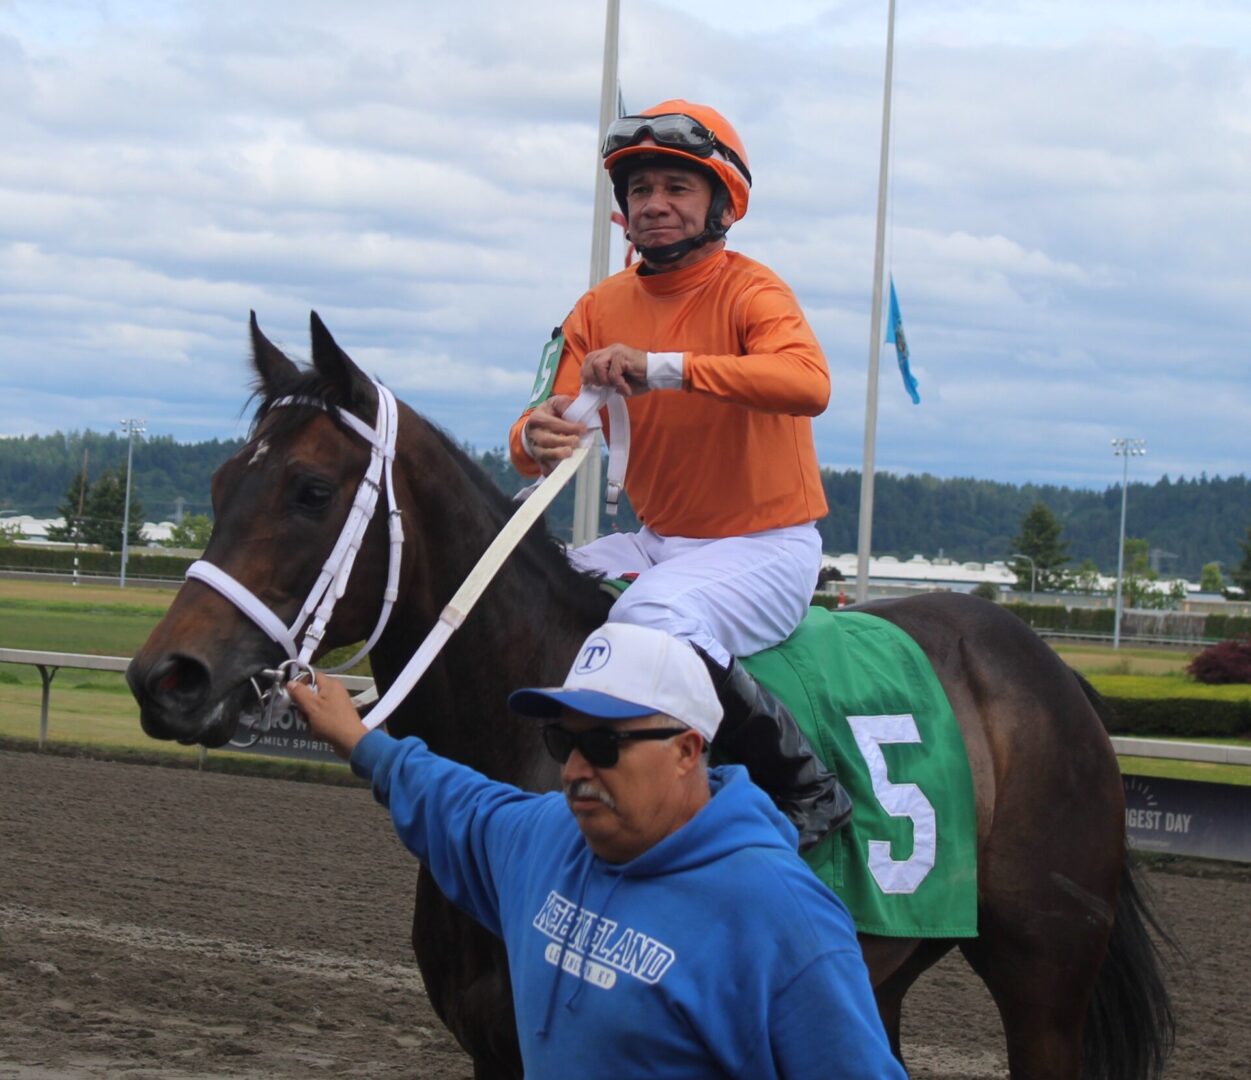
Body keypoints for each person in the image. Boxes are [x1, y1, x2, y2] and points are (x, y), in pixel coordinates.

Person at [289, 623, 904, 1080]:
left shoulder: (783, 918)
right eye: (564, 742)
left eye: (605, 744)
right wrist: (357, 740)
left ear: (687, 750)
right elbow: (453, 801)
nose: (576, 770)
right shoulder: (545, 837)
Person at [509, 99, 850, 849]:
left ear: (722, 202)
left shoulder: (753, 290)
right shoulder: (597, 307)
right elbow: (537, 427)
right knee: (522, 585)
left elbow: (808, 384)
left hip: (765, 548)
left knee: (648, 619)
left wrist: (665, 368)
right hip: (658, 542)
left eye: (676, 187)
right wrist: (536, 432)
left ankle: (803, 783)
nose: (654, 204)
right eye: (640, 190)